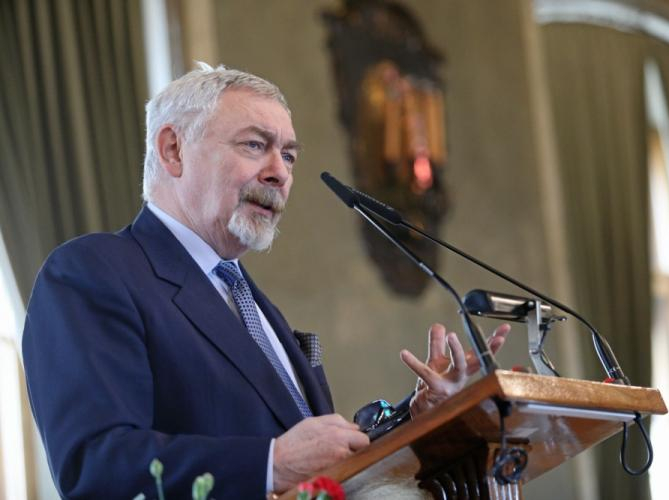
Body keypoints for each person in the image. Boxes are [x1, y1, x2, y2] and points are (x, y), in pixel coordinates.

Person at [22, 63, 510, 499]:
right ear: (173, 150)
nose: (279, 173)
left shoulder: (251, 304)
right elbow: (94, 465)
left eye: (290, 155)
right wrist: (269, 464)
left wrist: (420, 420)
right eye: (255, 145)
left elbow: (315, 458)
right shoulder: (94, 273)